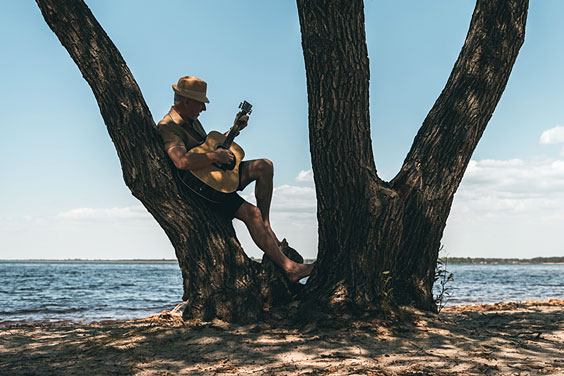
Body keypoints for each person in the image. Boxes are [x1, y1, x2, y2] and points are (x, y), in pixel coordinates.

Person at [157, 76, 314, 283]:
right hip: (201, 187)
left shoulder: (192, 121)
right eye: (200, 103)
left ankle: (266, 224)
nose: (204, 108)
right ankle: (290, 268)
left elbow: (208, 148)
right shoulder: (169, 126)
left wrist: (234, 130)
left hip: (214, 175)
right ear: (186, 100)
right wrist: (215, 157)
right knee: (252, 213)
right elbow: (181, 161)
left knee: (265, 166)